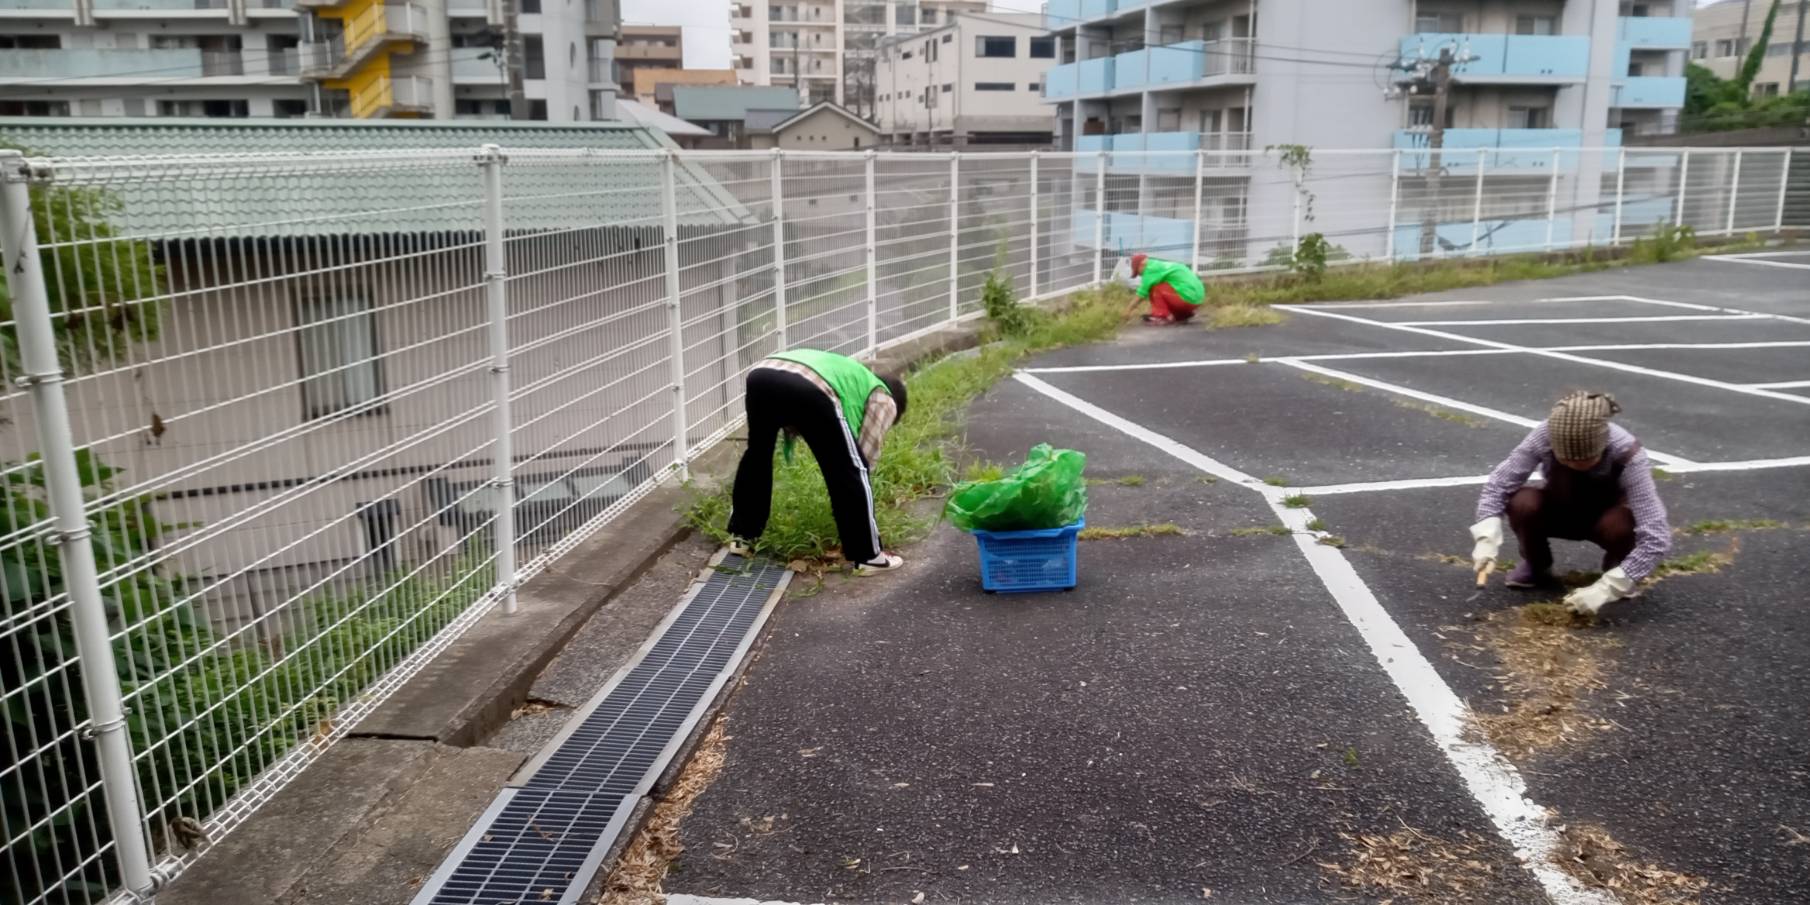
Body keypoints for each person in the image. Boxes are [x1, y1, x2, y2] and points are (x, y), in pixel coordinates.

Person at [1469, 391, 1671, 614]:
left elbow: (1656, 536)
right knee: (1522, 502)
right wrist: (1486, 535)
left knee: (1624, 523)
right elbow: (1499, 484)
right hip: (1561, 507)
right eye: (1566, 459)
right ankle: (1537, 565)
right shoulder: (1544, 436)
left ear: (1602, 446)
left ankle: (1618, 567)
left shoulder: (1626, 452)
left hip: (1606, 519)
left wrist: (1611, 586)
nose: (1576, 465)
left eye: (1586, 460)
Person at [727, 349, 908, 572]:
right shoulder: (884, 398)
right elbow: (863, 461)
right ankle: (868, 556)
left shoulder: (852, 376)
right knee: (851, 470)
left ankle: (742, 536)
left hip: (762, 374)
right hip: (808, 385)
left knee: (757, 454)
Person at [1131, 253, 1206, 325]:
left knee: (1155, 288)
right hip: (1197, 300)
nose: (1140, 276)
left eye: (1138, 272)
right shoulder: (1163, 266)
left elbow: (1141, 294)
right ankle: (1182, 314)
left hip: (1186, 299)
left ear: (1141, 265)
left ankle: (1161, 316)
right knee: (1168, 286)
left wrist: (1127, 311)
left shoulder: (1150, 269)